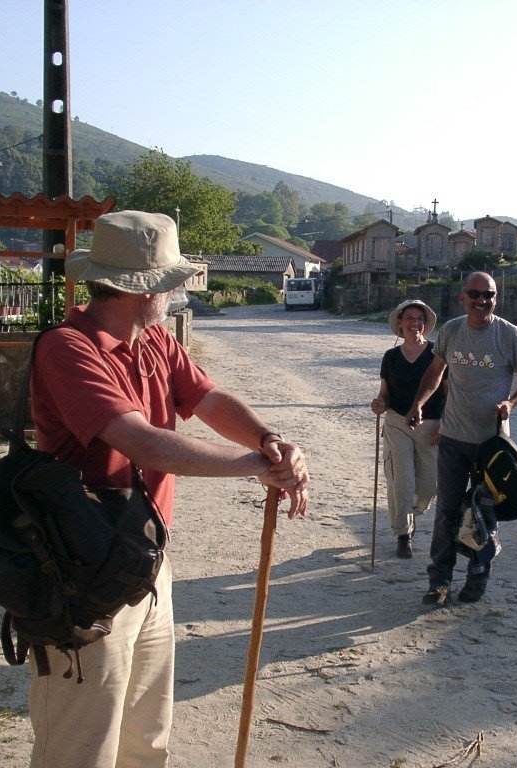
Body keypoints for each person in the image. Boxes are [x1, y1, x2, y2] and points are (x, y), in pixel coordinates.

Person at [27, 210, 309, 768]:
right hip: (82, 571)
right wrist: (257, 465)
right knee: (81, 747)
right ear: (146, 289)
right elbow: (145, 444)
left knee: (146, 737)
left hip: (146, 560)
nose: (178, 290)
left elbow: (209, 400)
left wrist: (269, 439)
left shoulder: (153, 337)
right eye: (173, 281)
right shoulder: (68, 348)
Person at [407, 272, 517, 605]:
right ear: (462, 297)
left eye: (488, 294)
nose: (482, 300)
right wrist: (419, 404)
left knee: (484, 512)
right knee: (447, 511)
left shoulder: (510, 335)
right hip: (453, 438)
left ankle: (477, 578)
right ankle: (439, 581)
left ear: (496, 297)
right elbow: (435, 374)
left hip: (492, 444)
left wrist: (512, 403)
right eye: (475, 294)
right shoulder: (451, 331)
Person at [371, 299, 445, 559]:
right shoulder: (391, 357)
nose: (415, 323)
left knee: (429, 486)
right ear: (400, 323)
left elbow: (449, 392)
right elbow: (385, 393)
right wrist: (380, 404)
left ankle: (410, 512)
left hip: (431, 426)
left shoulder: (437, 354)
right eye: (410, 318)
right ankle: (403, 533)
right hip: (397, 423)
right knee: (401, 480)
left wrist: (446, 423)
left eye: (419, 319)